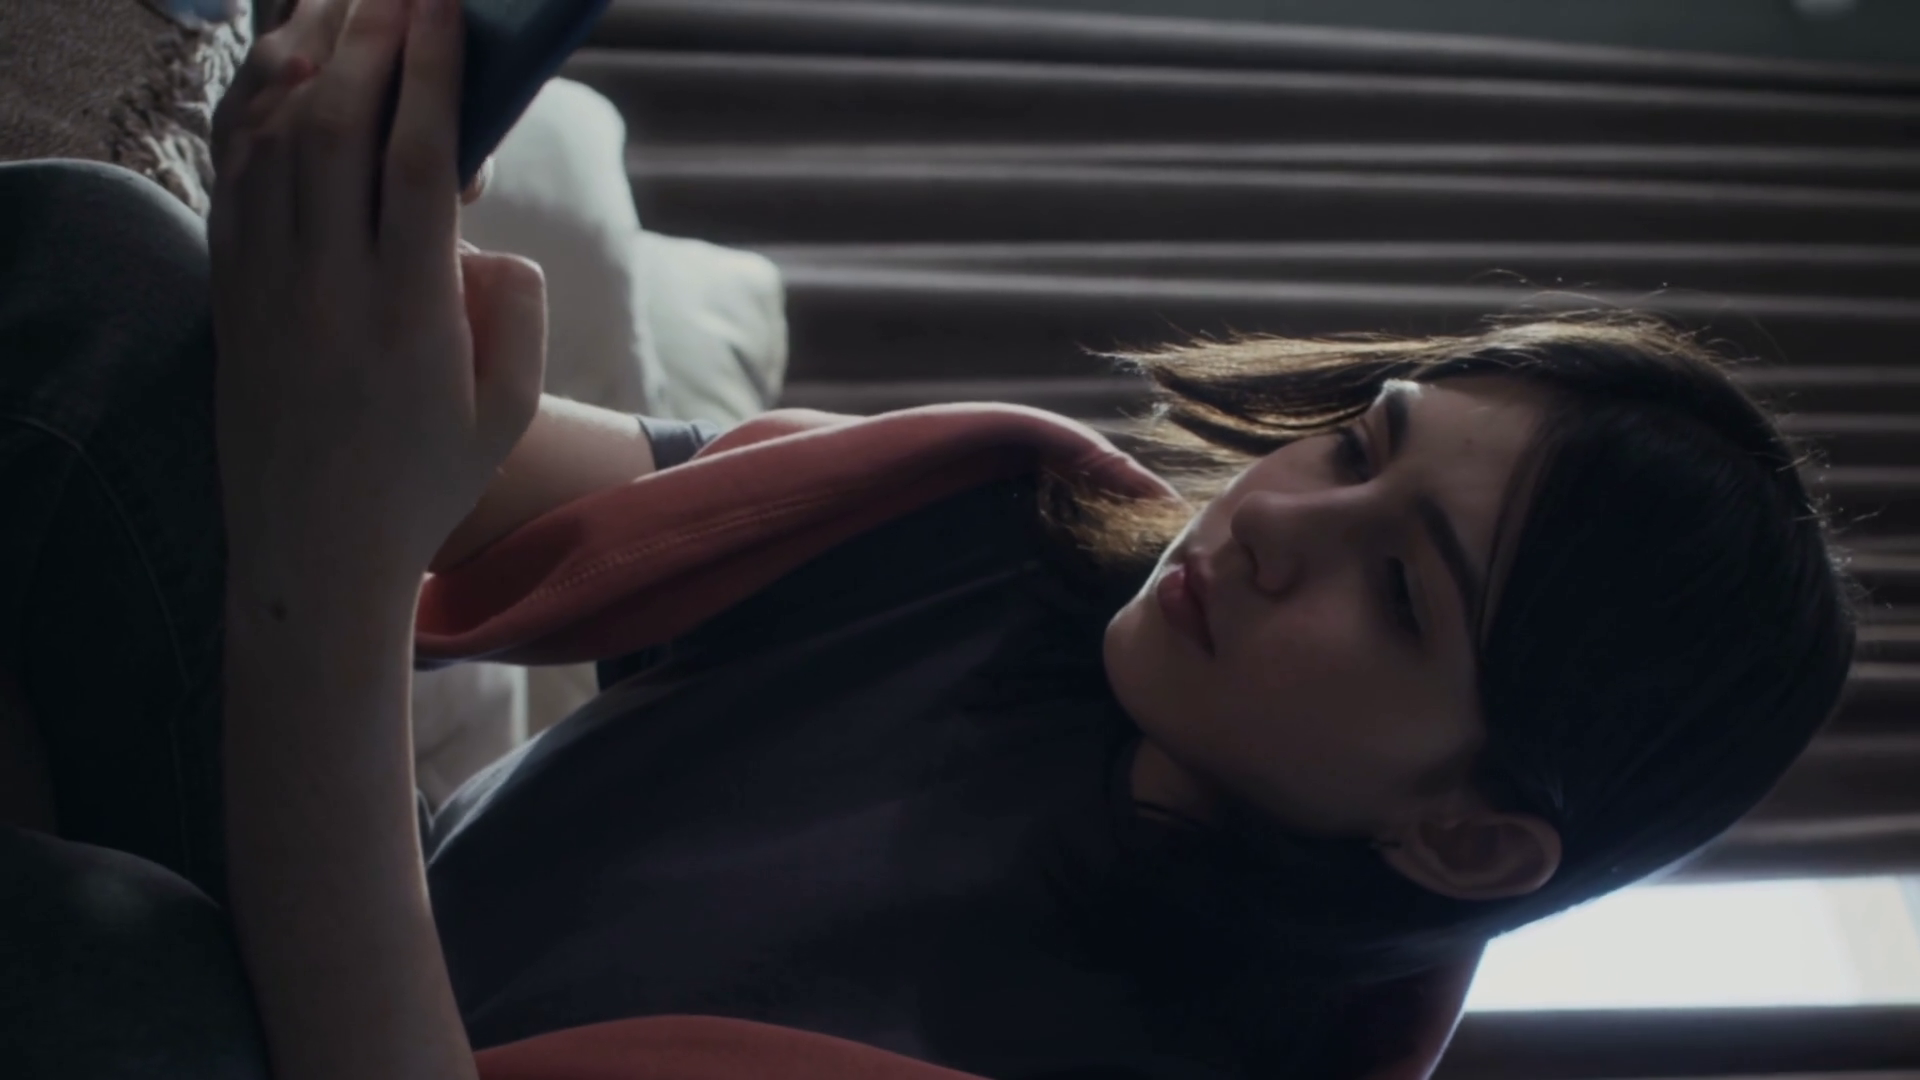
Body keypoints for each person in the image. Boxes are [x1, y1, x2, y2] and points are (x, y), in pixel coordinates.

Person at [0, 0, 1855, 1077]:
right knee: (108, 265)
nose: (1286, 515)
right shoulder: (1011, 517)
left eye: (1396, 593)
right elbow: (471, 466)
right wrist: (370, 231)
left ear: (1464, 836)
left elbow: (337, 552)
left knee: (105, 964)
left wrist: (318, 580)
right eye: (1360, 445)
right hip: (357, 896)